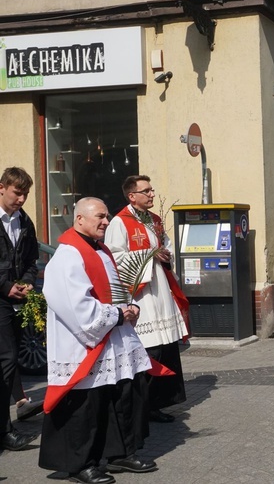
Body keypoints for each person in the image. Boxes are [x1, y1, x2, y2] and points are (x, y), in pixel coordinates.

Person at [40, 197, 158, 484]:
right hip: (84, 343)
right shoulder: (68, 255)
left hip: (114, 337)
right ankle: (81, 464)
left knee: (120, 393)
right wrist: (117, 314)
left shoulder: (101, 249)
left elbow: (114, 289)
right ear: (79, 219)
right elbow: (76, 305)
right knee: (86, 404)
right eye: (100, 217)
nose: (106, 222)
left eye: (107, 216)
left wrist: (129, 307)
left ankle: (120, 453)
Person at [105, 175, 189, 424]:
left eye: (152, 190)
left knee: (166, 349)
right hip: (141, 294)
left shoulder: (154, 220)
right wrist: (150, 255)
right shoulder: (119, 223)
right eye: (147, 191)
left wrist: (164, 254)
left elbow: (168, 247)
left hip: (160, 289)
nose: (152, 194)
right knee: (149, 350)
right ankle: (142, 405)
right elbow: (114, 258)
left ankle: (159, 402)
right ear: (132, 196)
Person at [0, 167, 39, 451]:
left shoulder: (24, 221)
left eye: (26, 193)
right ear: (1, 188)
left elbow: (31, 259)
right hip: (1, 298)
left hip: (14, 300)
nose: (22, 199)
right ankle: (5, 432)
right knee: (8, 360)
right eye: (17, 192)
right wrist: (5, 286)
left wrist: (25, 282)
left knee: (8, 363)